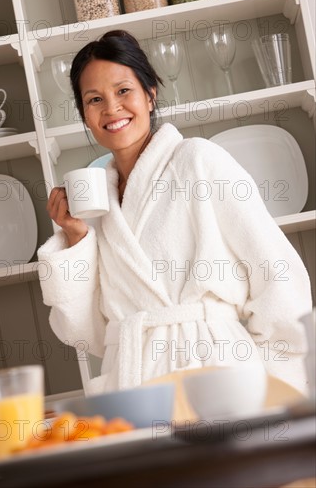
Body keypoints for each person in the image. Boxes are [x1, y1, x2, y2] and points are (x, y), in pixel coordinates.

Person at [38, 30, 312, 396]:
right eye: (94, 99)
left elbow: (277, 274)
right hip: (132, 384)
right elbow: (88, 334)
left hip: (216, 372)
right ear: (84, 115)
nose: (111, 109)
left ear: (150, 94)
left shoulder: (199, 160)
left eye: (123, 91)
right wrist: (75, 238)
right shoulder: (93, 206)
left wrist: (279, 384)